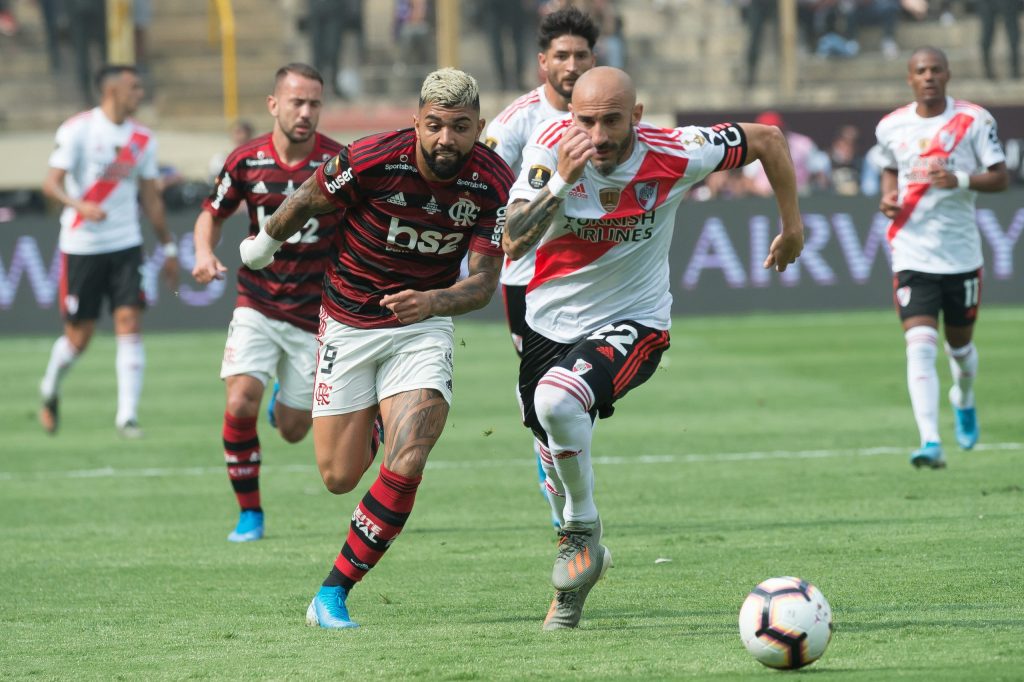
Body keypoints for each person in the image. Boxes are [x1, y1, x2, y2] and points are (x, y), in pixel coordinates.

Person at [503, 66, 804, 630]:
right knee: (548, 451)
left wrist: (792, 226)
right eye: (585, 121)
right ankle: (581, 554)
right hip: (548, 324)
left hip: (634, 321)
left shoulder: (678, 151)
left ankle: (583, 530)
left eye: (610, 121)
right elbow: (513, 239)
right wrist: (560, 183)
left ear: (636, 118)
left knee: (558, 401)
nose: (596, 135)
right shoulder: (550, 151)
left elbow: (768, 141)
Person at [238, 68, 515, 628]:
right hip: (347, 322)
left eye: (460, 128)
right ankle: (374, 418)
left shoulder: (492, 182)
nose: (446, 139)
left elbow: (483, 284)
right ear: (416, 121)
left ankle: (333, 592)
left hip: (422, 327)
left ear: (479, 128)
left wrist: (434, 302)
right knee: (339, 478)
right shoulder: (371, 158)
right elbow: (307, 198)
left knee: (410, 455)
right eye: (435, 125)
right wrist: (264, 245)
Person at [192, 64, 353, 543]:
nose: (306, 113)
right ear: (274, 104)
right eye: (297, 102)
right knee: (240, 399)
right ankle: (250, 514)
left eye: (315, 104)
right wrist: (203, 253)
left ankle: (285, 402)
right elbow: (211, 214)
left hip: (315, 314)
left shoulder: (338, 163)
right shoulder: (245, 159)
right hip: (257, 303)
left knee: (294, 431)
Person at [483, 5, 598, 530]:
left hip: (591, 273)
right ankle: (561, 494)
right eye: (562, 56)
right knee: (547, 392)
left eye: (581, 55)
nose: (572, 65)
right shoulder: (515, 123)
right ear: (542, 64)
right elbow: (480, 187)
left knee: (579, 394)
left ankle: (565, 474)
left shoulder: (606, 113)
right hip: (527, 276)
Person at [874, 46, 1009, 469]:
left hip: (961, 254)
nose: (928, 76)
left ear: (948, 74)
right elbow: (891, 168)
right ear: (909, 79)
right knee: (919, 346)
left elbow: (1001, 178)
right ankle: (930, 439)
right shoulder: (892, 126)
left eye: (935, 69)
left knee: (960, 350)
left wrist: (960, 179)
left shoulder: (974, 120)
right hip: (912, 253)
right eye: (920, 71)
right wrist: (888, 198)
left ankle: (963, 399)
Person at [38, 64, 178, 438]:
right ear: (112, 90)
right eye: (134, 87)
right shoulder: (78, 129)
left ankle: (127, 417)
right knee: (78, 338)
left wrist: (168, 247)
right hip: (82, 246)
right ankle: (49, 389)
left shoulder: (143, 139)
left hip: (126, 245)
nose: (140, 94)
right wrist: (79, 205)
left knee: (130, 323)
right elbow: (50, 185)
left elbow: (151, 198)